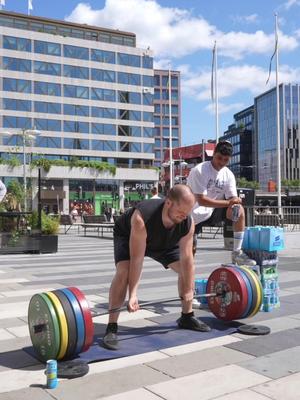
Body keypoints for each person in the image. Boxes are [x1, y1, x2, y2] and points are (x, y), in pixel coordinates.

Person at [103, 184, 211, 351]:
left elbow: (188, 259)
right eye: (180, 213)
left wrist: (190, 289)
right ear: (168, 203)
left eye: (186, 214)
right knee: (124, 271)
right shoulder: (142, 217)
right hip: (129, 235)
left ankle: (187, 316)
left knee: (184, 269)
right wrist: (133, 295)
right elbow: (137, 260)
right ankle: (111, 327)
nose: (183, 217)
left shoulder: (187, 223)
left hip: (163, 241)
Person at [187, 141, 256, 266]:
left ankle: (237, 252)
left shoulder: (228, 174)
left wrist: (235, 201)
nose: (222, 162)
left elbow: (232, 199)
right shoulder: (199, 170)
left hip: (213, 211)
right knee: (189, 257)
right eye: (219, 158)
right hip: (192, 215)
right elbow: (201, 200)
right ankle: (188, 282)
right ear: (213, 154)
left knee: (238, 209)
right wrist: (228, 202)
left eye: (226, 160)